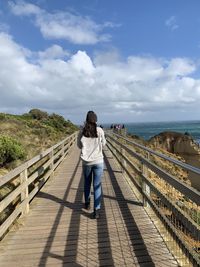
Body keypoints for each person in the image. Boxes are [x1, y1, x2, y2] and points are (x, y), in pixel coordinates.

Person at [77, 111, 106, 219]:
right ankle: (96, 210)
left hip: (86, 162)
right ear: (96, 120)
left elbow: (79, 146)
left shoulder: (82, 131)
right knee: (97, 185)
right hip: (98, 161)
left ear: (87, 119)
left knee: (87, 183)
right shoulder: (100, 130)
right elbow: (103, 144)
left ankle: (87, 203)